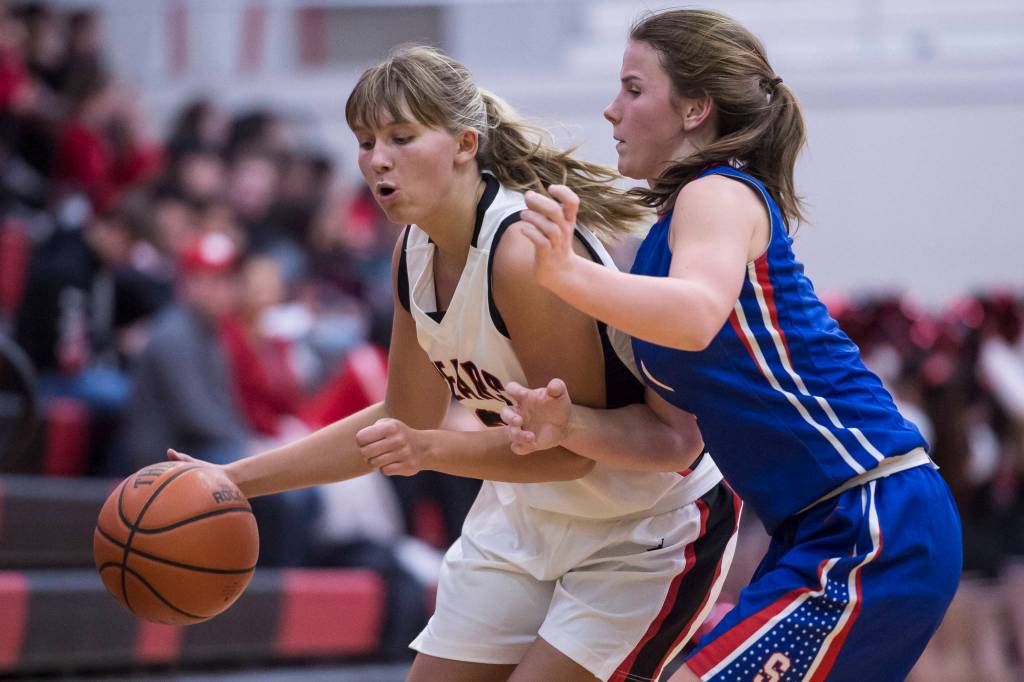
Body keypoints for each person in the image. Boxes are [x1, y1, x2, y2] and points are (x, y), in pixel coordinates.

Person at [171, 45, 740, 682]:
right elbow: (400, 419)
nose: (377, 159)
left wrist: (430, 449)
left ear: (465, 145)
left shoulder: (519, 252)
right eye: (365, 142)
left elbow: (570, 450)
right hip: (528, 515)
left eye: (401, 138)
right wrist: (232, 480)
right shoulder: (412, 251)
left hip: (641, 524)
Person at [505, 9, 962, 682]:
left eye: (633, 88)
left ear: (695, 109)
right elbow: (675, 440)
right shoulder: (662, 243)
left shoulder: (717, 192)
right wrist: (567, 426)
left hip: (873, 516)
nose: (611, 109)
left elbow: (696, 317)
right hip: (819, 530)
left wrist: (567, 275)